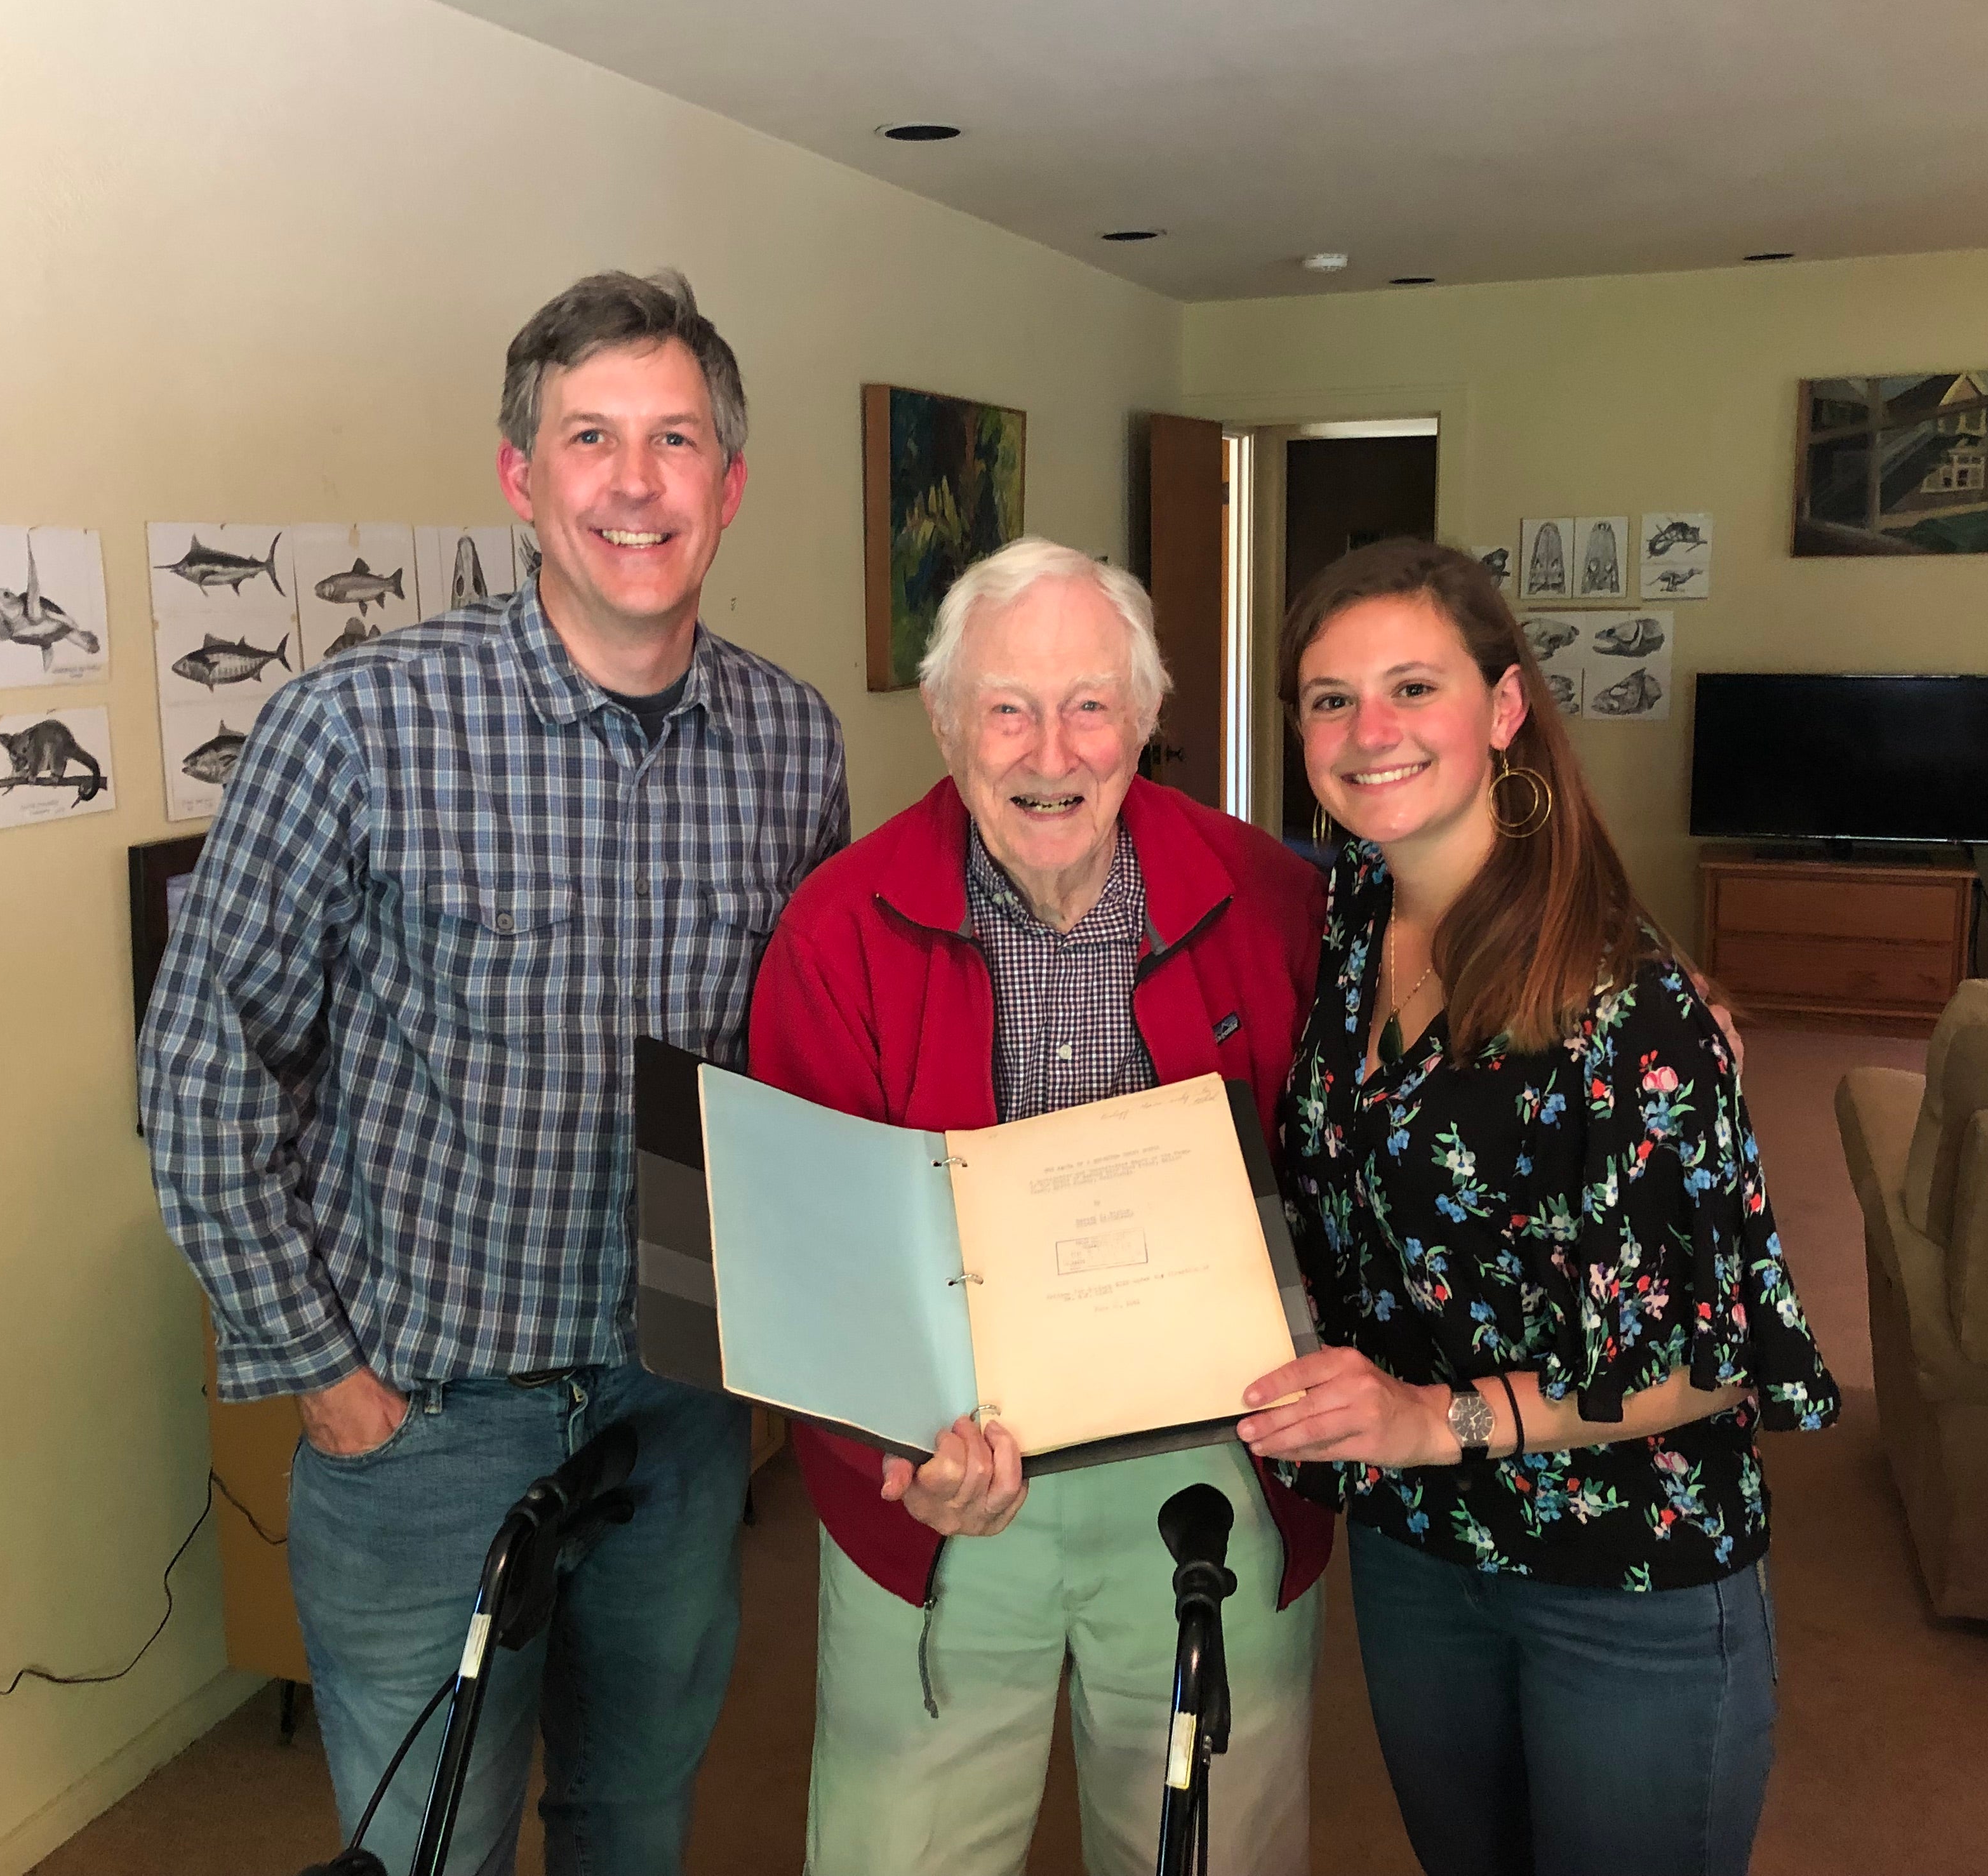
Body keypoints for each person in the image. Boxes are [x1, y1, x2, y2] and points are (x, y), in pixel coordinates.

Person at [138, 269, 848, 1876]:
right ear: (521, 477)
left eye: (675, 440)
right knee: (428, 1847)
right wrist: (326, 1377)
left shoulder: (794, 745)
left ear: (728, 487)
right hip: (427, 1425)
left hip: (678, 1412)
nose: (635, 481)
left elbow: (797, 1069)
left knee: (630, 1815)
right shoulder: (358, 727)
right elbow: (199, 1066)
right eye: (589, 437)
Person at [1238, 538, 1839, 1876]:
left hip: (1626, 1568)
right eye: (1330, 699)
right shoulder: (1345, 923)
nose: (1367, 732)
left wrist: (1432, 1419)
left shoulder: (1633, 1008)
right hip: (1420, 1551)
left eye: (1412, 687)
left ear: (1503, 709)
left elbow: (1701, 1357)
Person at [748, 536, 1335, 1876]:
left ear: (1145, 716)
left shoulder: (1277, 902)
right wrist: (896, 1461)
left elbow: (1446, 988)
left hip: (1212, 1468)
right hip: (945, 1485)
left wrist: (1641, 981)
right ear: (946, 719)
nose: (1049, 751)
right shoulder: (836, 929)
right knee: (902, 1852)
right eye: (1007, 706)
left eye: (1090, 704)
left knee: (1214, 1852)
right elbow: (806, 1263)